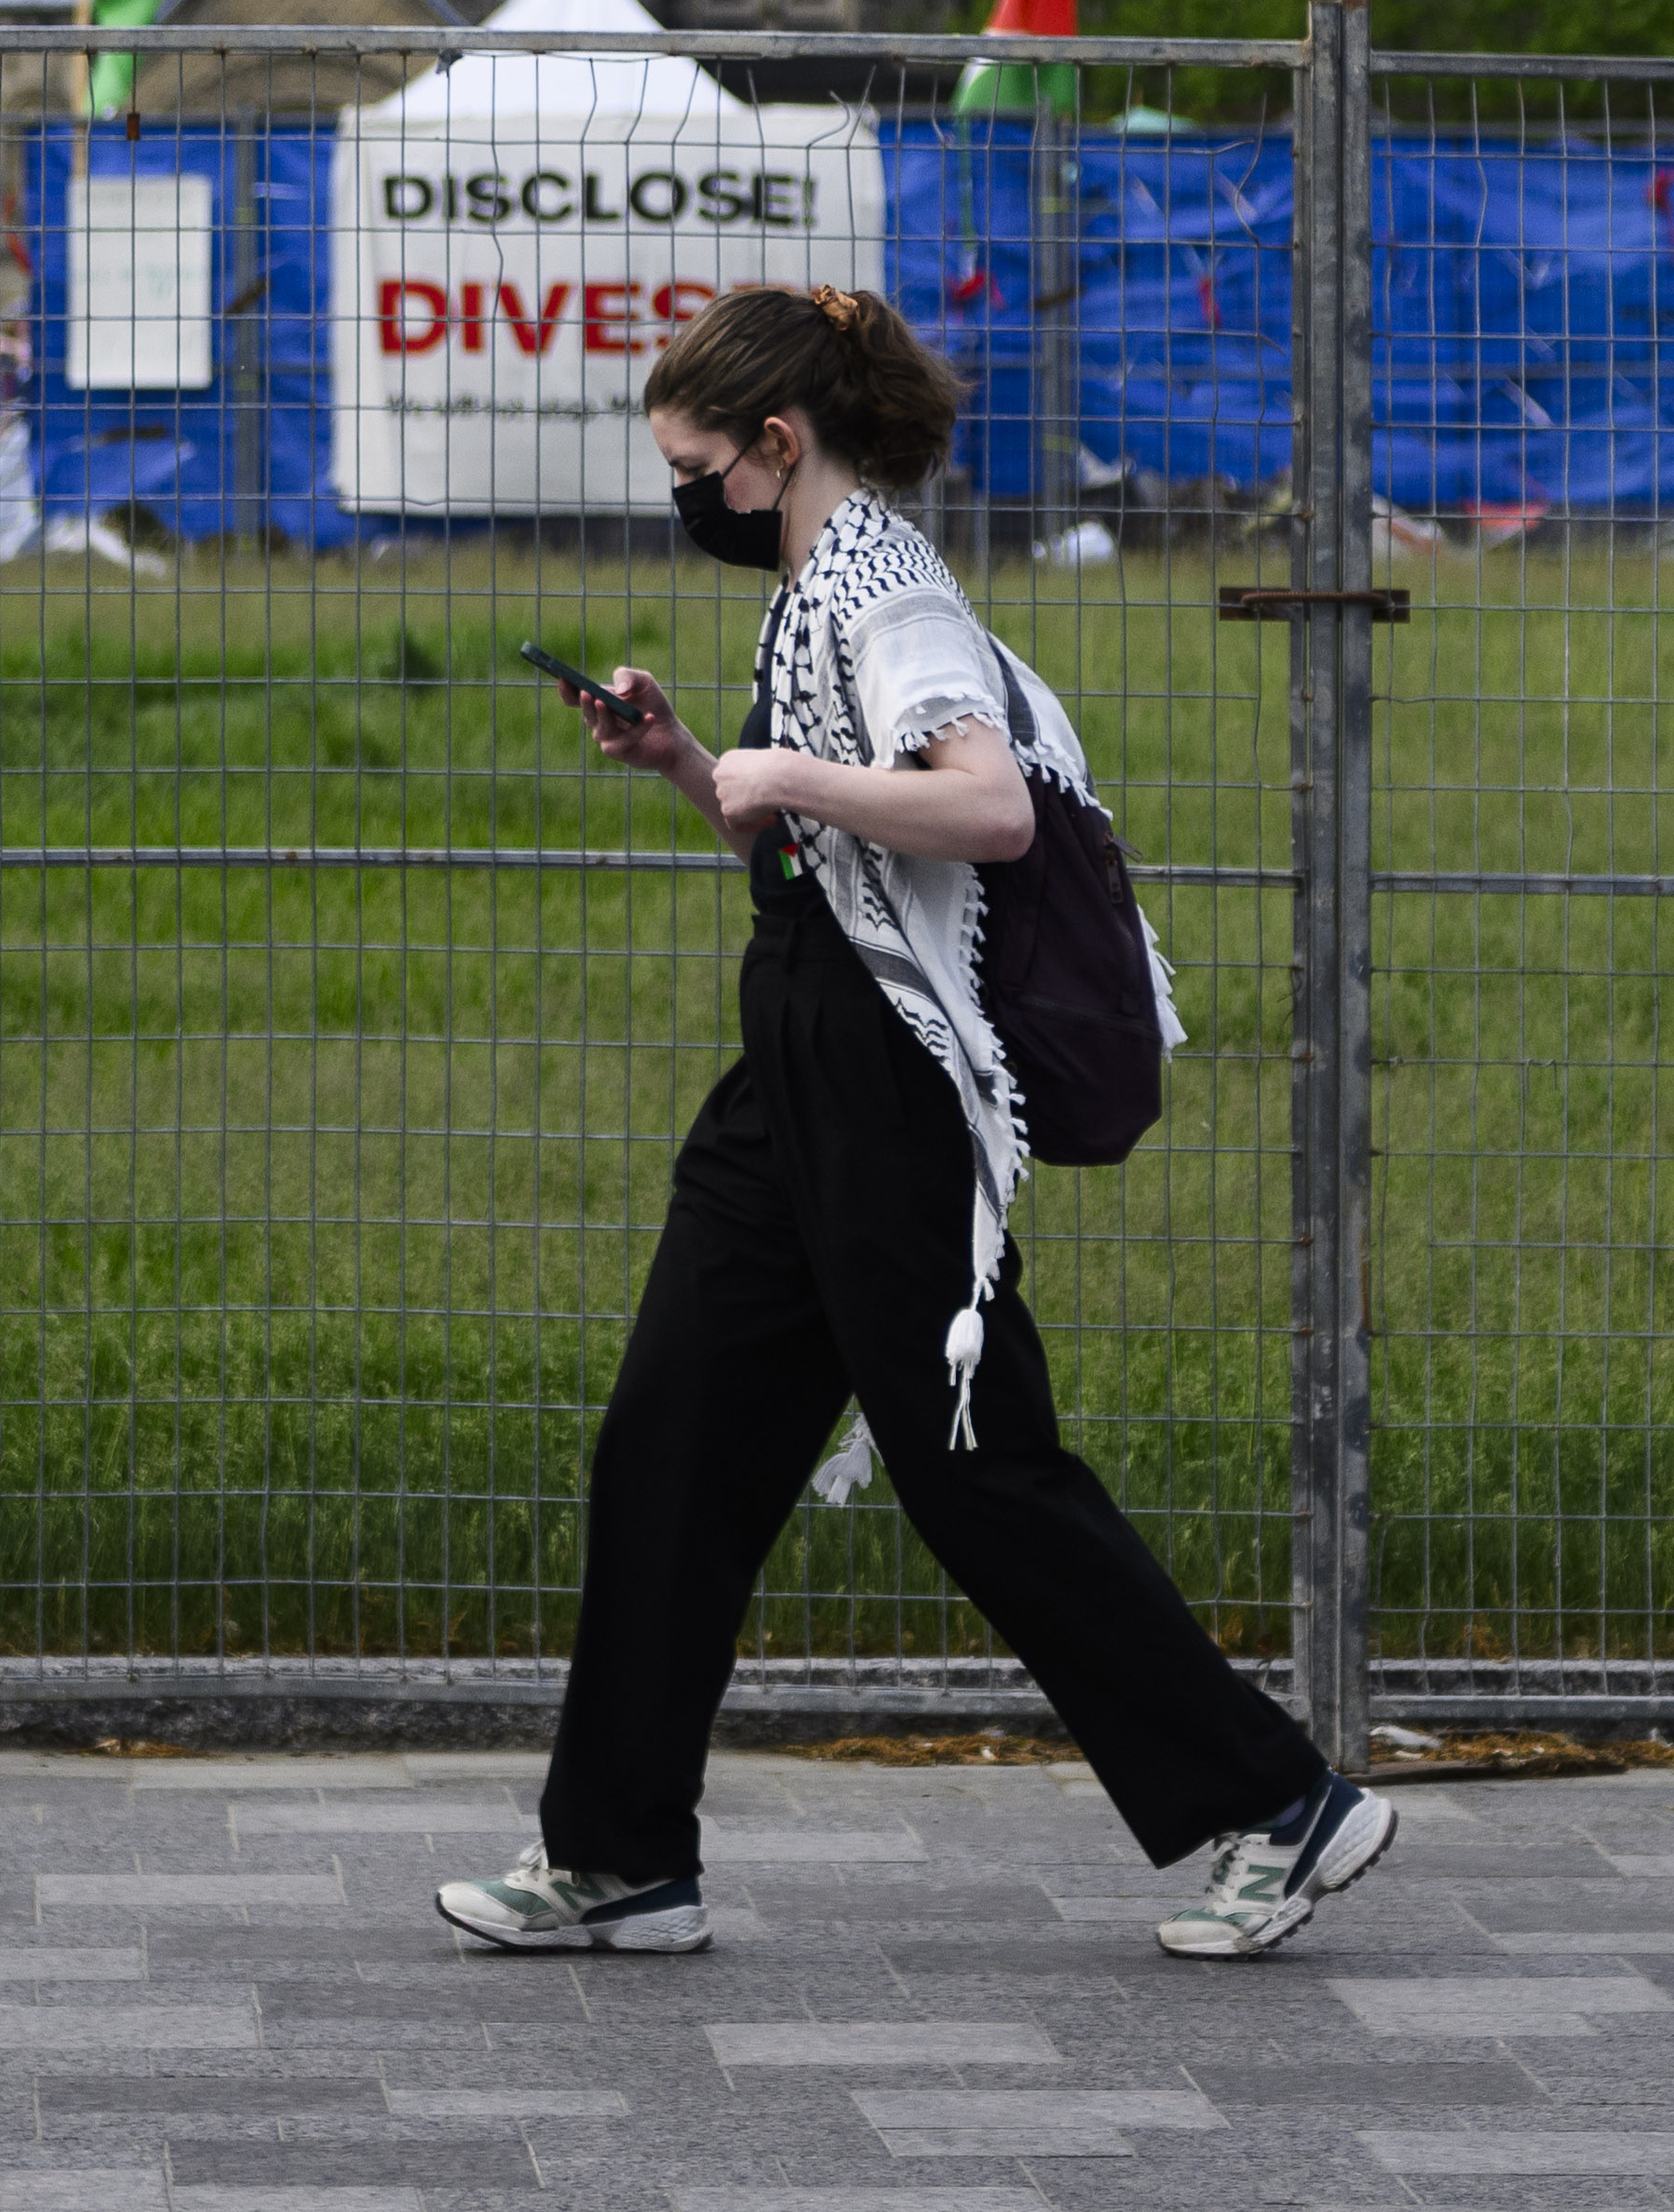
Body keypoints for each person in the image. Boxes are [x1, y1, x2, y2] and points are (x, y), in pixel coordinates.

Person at [438, 281, 1392, 1964]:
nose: (685, 501)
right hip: (792, 1072)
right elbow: (827, 865)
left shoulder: (885, 587)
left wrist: (784, 775)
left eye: (693, 467)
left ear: (777, 444)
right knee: (670, 1448)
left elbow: (986, 807)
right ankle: (616, 1855)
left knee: (980, 1475)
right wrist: (685, 760)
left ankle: (1279, 1801)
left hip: (882, 1091)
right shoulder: (818, 580)